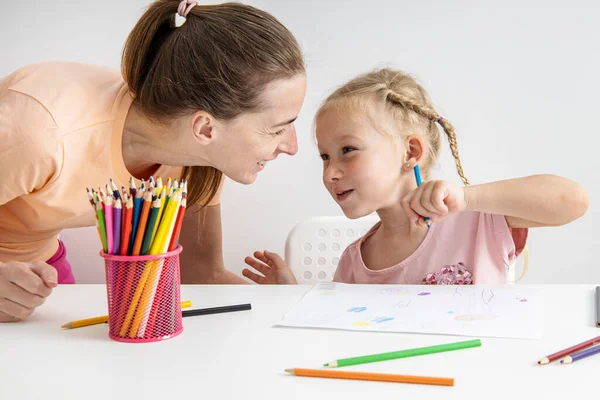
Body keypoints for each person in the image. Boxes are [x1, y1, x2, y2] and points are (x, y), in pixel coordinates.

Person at [0, 0, 307, 322]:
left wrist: (286, 303)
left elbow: (200, 272)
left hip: (36, 272)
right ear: (205, 127)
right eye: (278, 128)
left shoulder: (198, 157)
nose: (292, 146)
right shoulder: (39, 132)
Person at [242, 68, 588, 285]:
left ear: (411, 153)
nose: (330, 172)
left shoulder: (477, 221)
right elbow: (337, 340)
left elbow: (573, 201)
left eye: (348, 150)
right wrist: (290, 296)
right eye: (325, 157)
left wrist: (468, 198)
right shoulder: (354, 262)